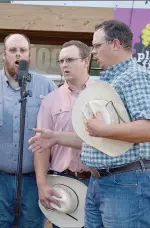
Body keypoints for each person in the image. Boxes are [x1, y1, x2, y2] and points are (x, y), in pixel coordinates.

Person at [29, 20, 150, 228]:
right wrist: (56, 137)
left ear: (116, 44)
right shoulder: (110, 81)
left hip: (127, 182)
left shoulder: (137, 77)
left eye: (97, 46)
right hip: (103, 182)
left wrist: (104, 129)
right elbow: (96, 138)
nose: (93, 52)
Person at [0, 33, 57, 228]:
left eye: (23, 50)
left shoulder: (47, 87)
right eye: (13, 50)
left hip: (33, 181)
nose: (18, 55)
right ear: (4, 54)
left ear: (30, 54)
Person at [34, 40, 92, 225]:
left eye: (70, 60)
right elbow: (41, 146)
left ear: (86, 61)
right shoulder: (51, 100)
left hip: (97, 180)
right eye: (61, 61)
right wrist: (42, 184)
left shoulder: (102, 94)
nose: (64, 65)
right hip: (62, 181)